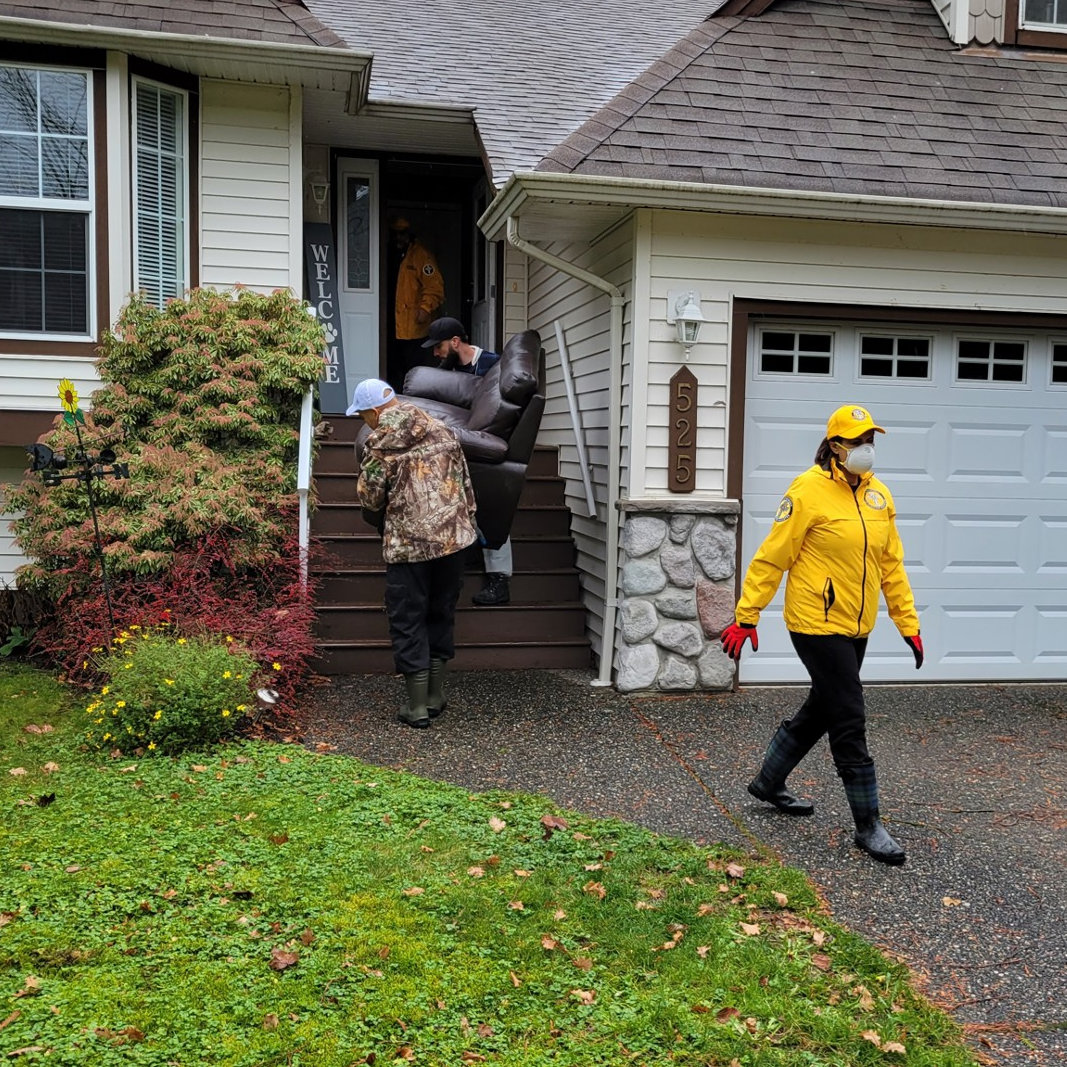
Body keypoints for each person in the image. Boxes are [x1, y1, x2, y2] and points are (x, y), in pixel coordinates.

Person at [720, 404, 923, 866]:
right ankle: (868, 825)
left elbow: (891, 565)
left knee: (823, 707)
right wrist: (747, 615)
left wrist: (907, 623)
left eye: (870, 440)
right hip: (815, 623)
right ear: (835, 446)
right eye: (857, 441)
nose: (866, 449)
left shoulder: (879, 496)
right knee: (848, 716)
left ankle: (768, 781)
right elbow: (773, 557)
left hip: (856, 624)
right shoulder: (807, 491)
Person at [350, 378, 477, 728]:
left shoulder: (379, 444)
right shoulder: (444, 430)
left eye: (363, 415)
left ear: (375, 411)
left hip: (409, 549)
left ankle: (417, 706)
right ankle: (435, 696)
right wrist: (467, 522)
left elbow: (370, 499)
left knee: (408, 620)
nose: (364, 421)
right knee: (441, 613)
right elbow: (465, 484)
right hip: (454, 542)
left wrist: (379, 517)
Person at [421, 316, 512, 606]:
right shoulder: (445, 371)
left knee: (491, 507)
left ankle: (499, 578)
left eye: (439, 347)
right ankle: (468, 550)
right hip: (453, 446)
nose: (436, 353)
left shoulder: (493, 366)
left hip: (486, 446)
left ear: (455, 342)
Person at [389, 217, 445, 380]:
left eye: (402, 234)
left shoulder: (421, 256)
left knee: (414, 367)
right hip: (391, 324)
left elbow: (435, 287)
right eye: (395, 234)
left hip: (414, 326)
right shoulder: (386, 253)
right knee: (393, 367)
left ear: (409, 235)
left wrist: (425, 309)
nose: (398, 238)